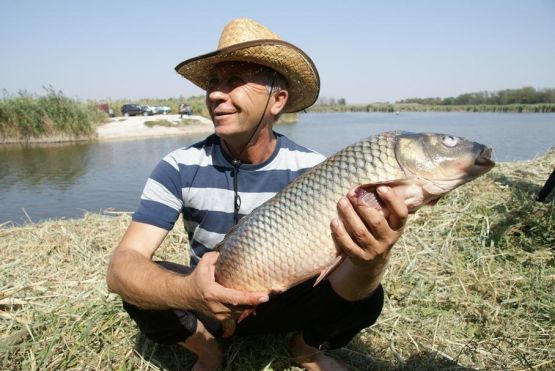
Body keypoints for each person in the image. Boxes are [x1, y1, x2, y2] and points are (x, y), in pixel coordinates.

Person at [106, 18, 408, 371]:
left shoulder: (315, 169)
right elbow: (120, 267)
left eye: (234, 82)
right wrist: (190, 292)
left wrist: (373, 257)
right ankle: (206, 350)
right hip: (210, 299)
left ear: (277, 100)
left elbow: (342, 267)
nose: (216, 94)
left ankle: (306, 348)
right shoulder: (178, 166)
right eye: (213, 83)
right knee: (138, 285)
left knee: (369, 296)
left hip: (289, 299)